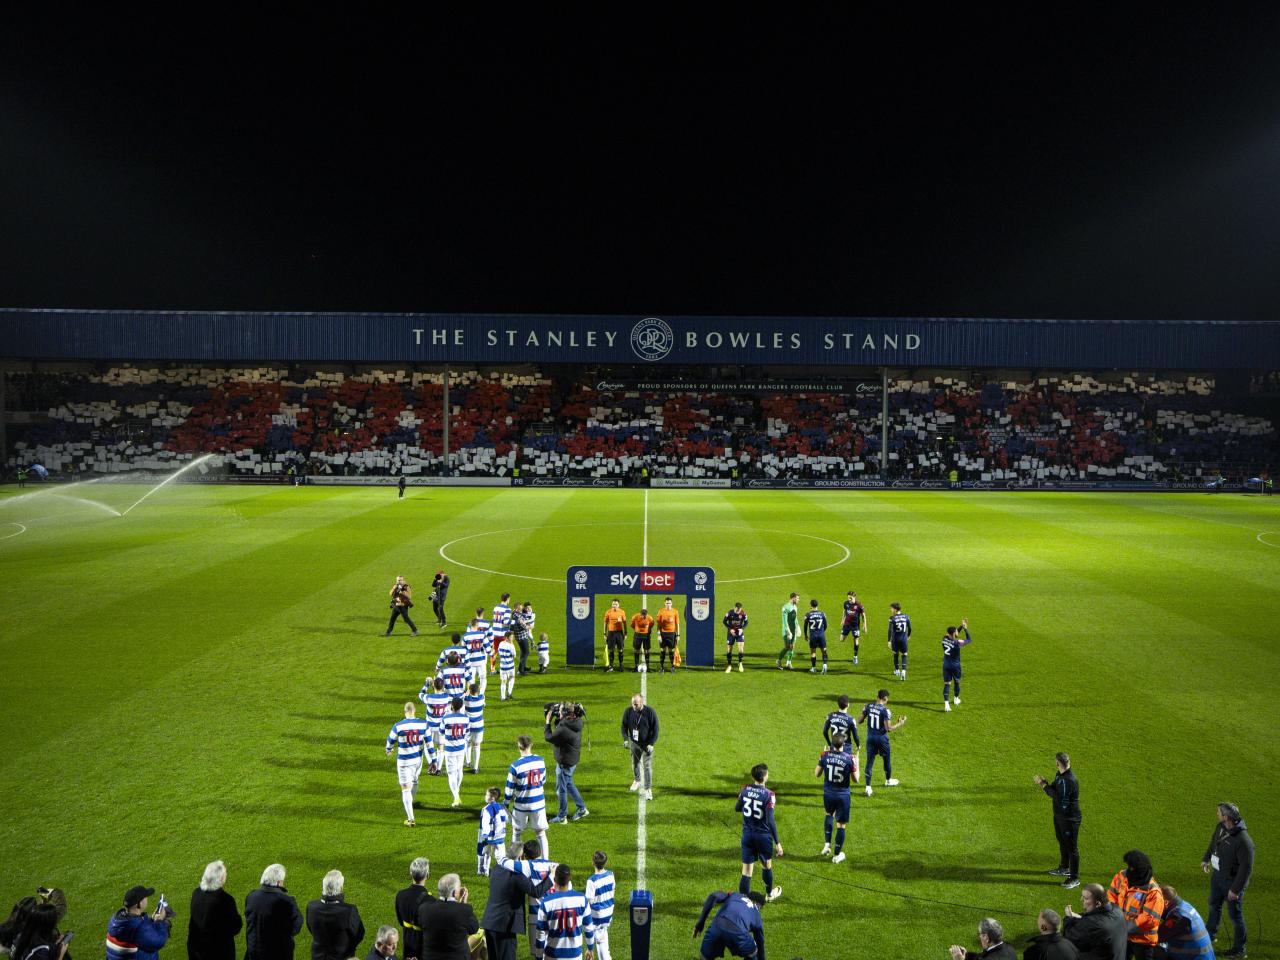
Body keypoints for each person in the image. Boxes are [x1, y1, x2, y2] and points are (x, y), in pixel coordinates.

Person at [480, 842, 552, 960]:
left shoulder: (496, 869)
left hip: (489, 921)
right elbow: (536, 892)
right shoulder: (517, 875)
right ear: (521, 857)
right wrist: (551, 877)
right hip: (505, 926)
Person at [1202, 802, 1253, 958]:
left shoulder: (1244, 841)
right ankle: (1210, 935)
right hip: (1217, 877)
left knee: (1235, 916)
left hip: (1232, 883)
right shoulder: (1221, 827)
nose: (1217, 814)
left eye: (1219, 813)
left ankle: (1240, 949)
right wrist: (1206, 859)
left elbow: (1246, 869)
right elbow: (1213, 842)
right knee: (1213, 905)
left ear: (1226, 817)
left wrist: (1235, 890)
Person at [735, 763, 784, 901]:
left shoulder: (745, 790)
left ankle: (742, 902)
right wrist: (778, 843)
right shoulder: (769, 795)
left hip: (748, 835)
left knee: (746, 872)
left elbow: (737, 808)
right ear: (765, 777)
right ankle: (769, 895)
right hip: (763, 837)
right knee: (766, 866)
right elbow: (770, 821)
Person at [1034, 752, 1082, 889]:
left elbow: (1057, 796)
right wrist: (1046, 784)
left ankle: (1074, 878)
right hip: (1060, 816)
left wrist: (1043, 784)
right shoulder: (1060, 775)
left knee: (1072, 848)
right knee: (1062, 842)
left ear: (1057, 763)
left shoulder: (1069, 780)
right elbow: (1054, 788)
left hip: (1070, 819)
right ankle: (1064, 867)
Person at [1106, 850, 1165, 959]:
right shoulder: (1122, 876)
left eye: (1131, 868)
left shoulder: (1153, 892)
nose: (1128, 871)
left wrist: (1123, 927)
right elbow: (1111, 895)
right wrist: (1113, 915)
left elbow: (1149, 919)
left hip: (1143, 942)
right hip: (1123, 936)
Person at [387, 702, 435, 827]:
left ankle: (411, 819)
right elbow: (429, 744)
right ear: (414, 711)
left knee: (405, 789)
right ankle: (410, 803)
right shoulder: (423, 724)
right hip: (417, 760)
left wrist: (389, 750)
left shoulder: (398, 726)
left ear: (405, 711)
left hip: (404, 762)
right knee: (414, 781)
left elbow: (390, 741)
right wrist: (434, 760)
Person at [534, 865, 594, 960]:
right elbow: (589, 928)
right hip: (574, 956)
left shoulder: (546, 903)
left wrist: (538, 957)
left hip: (552, 956)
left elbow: (540, 934)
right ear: (569, 879)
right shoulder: (582, 899)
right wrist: (590, 948)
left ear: (554, 879)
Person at [504, 734, 550, 859]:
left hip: (521, 805)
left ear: (518, 747)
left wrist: (506, 803)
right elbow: (543, 780)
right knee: (541, 833)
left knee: (517, 833)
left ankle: (515, 861)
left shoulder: (515, 766)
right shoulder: (540, 761)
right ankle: (545, 862)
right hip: (538, 804)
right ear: (531, 745)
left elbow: (509, 788)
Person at [244, 865, 303, 960]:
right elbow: (297, 925)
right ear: (279, 882)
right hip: (278, 953)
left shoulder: (251, 896)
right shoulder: (286, 900)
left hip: (253, 953)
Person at [815, 733, 858, 864]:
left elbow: (817, 774)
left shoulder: (824, 755)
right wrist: (857, 763)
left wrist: (822, 757)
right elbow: (856, 779)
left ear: (832, 744)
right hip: (842, 795)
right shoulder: (849, 758)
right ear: (843, 744)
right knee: (841, 825)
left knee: (829, 815)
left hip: (828, 793)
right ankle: (837, 855)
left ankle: (827, 845)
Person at [188, 860, 243, 960]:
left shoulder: (196, 893)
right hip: (219, 952)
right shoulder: (226, 900)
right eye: (225, 873)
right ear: (221, 878)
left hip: (197, 949)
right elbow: (235, 927)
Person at [544, 701, 588, 824]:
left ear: (564, 713)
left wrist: (547, 720)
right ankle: (582, 808)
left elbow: (549, 737)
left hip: (565, 762)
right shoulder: (577, 721)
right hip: (572, 760)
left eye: (561, 710)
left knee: (561, 790)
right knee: (569, 784)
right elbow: (562, 723)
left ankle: (562, 816)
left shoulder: (563, 729)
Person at [416, 875, 480, 960]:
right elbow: (474, 928)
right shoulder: (464, 910)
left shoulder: (424, 909)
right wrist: (464, 903)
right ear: (454, 893)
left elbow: (421, 926)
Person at [305, 870, 365, 960]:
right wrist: (349, 948)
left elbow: (310, 928)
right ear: (341, 888)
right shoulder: (348, 911)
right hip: (342, 956)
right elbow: (359, 934)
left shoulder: (311, 907)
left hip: (317, 956)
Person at [692, 890, 766, 960]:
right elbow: (760, 943)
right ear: (758, 905)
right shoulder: (757, 915)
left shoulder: (735, 895)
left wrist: (700, 923)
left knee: (704, 957)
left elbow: (714, 896)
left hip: (717, 927)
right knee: (754, 951)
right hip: (738, 933)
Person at [858, 688, 905, 795]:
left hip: (870, 738)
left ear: (877, 697)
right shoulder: (885, 711)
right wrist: (900, 724)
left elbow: (859, 721)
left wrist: (864, 711)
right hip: (882, 739)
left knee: (869, 762)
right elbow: (888, 728)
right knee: (886, 760)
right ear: (885, 698)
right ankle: (888, 780)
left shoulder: (868, 706)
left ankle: (868, 787)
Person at [106, 885, 172, 960]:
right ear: (139, 904)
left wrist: (152, 921)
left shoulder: (116, 920)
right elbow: (159, 941)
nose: (147, 899)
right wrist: (160, 921)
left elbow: (138, 932)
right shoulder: (137, 929)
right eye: (145, 897)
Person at [1063, 883, 1126, 960]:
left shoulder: (1094, 924)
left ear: (1098, 904)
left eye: (1085, 898)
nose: (1081, 900)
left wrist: (1069, 918)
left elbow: (1070, 938)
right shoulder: (1116, 909)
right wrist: (1080, 917)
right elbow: (1095, 916)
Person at [1157, 886, 1214, 960]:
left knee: (1148, 948)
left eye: (1155, 901)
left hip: (1194, 957)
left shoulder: (1178, 916)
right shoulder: (1184, 906)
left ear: (1166, 902)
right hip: (1200, 956)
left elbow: (1155, 936)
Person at [621, 693, 659, 801]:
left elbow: (656, 729)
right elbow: (623, 726)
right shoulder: (628, 712)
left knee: (647, 767)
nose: (634, 706)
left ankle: (647, 789)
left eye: (636, 704)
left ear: (641, 703)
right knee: (635, 763)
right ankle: (637, 781)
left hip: (647, 744)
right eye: (633, 704)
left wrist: (651, 743)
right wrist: (625, 739)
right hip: (635, 743)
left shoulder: (650, 712)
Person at [394, 858, 433, 960]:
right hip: (423, 945)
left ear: (411, 874)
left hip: (407, 940)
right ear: (427, 875)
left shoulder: (400, 895)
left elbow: (400, 920)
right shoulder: (430, 900)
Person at [440, 697, 471, 807]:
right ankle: (456, 792)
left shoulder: (446, 718)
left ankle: (456, 797)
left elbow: (441, 731)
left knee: (451, 773)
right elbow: (467, 732)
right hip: (461, 748)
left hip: (450, 749)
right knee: (459, 770)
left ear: (452, 706)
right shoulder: (466, 718)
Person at [584, 852, 615, 960]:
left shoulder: (591, 881)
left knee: (593, 940)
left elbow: (590, 902)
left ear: (593, 863)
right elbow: (612, 892)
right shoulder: (611, 875)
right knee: (602, 939)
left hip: (597, 916)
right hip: (609, 913)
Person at [941, 619, 973, 711]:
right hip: (955, 666)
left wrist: (960, 627)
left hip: (946, 665)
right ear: (954, 633)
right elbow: (969, 639)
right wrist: (965, 629)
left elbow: (954, 634)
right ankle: (955, 699)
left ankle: (946, 705)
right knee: (957, 681)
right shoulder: (958, 643)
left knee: (947, 684)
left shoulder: (944, 638)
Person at [478, 787, 510, 876]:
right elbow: (507, 818)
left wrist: (484, 835)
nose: (485, 796)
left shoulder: (487, 809)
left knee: (487, 853)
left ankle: (486, 870)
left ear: (492, 798)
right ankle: (503, 870)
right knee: (501, 855)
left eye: (487, 795)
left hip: (490, 836)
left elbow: (485, 823)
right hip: (500, 836)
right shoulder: (501, 807)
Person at [949, 918, 1016, 959]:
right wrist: (967, 955)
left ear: (986, 937)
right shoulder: (1009, 948)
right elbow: (983, 956)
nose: (979, 937)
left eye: (979, 934)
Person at [419, 678, 451, 756]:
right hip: (441, 727)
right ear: (442, 686)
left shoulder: (429, 698)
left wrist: (427, 683)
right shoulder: (446, 697)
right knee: (440, 748)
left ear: (433, 686)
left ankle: (431, 763)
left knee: (427, 747)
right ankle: (438, 768)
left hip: (429, 727)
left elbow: (420, 694)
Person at [462, 619, 490, 695]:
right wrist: (490, 653)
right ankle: (481, 695)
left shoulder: (465, 636)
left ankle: (472, 695)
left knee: (471, 680)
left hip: (470, 661)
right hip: (481, 660)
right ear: (477, 625)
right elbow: (488, 648)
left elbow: (463, 651)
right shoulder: (482, 634)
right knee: (483, 678)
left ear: (471, 625)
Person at [803, 598, 830, 674]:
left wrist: (805, 635)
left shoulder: (808, 614)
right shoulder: (822, 614)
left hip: (813, 636)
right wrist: (821, 632)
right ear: (817, 605)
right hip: (821, 635)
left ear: (810, 605)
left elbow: (805, 626)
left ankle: (814, 668)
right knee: (824, 651)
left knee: (813, 652)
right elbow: (826, 625)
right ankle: (824, 665)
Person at [463, 682, 485, 773]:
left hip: (468, 726)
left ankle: (468, 762)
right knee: (476, 745)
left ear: (470, 691)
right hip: (479, 726)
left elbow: (463, 697)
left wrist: (467, 692)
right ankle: (475, 768)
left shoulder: (466, 700)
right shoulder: (481, 698)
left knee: (467, 743)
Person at [655, 596, 681, 673]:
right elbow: (658, 624)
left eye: (669, 603)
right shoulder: (661, 611)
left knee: (671, 651)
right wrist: (659, 634)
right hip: (663, 634)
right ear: (664, 603)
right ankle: (661, 667)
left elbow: (677, 624)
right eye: (667, 603)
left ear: (671, 603)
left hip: (672, 634)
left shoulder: (675, 611)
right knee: (662, 651)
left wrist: (678, 635)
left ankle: (672, 667)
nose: (668, 604)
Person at [841, 590, 867, 665]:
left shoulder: (859, 605)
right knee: (841, 639)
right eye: (848, 598)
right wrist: (842, 619)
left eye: (850, 598)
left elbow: (863, 616)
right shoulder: (846, 603)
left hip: (855, 626)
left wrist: (864, 625)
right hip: (847, 624)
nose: (849, 599)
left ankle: (855, 657)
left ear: (854, 597)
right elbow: (844, 611)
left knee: (855, 640)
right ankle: (849, 634)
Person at [602, 599, 627, 673]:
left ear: (618, 605)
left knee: (620, 649)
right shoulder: (608, 612)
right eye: (613, 604)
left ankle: (621, 665)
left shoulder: (622, 612)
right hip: (611, 633)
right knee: (611, 650)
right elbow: (605, 623)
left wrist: (625, 633)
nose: (614, 605)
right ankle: (611, 666)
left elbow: (624, 623)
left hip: (619, 633)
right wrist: (604, 633)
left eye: (616, 604)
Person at [776, 592, 799, 670]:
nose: (798, 600)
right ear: (793, 598)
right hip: (787, 631)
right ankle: (778, 661)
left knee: (792, 646)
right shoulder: (786, 607)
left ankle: (789, 663)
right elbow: (784, 621)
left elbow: (795, 618)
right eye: (797, 598)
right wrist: (788, 630)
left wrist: (798, 626)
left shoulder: (795, 607)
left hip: (793, 630)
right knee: (787, 647)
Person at [888, 601, 911, 679]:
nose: (891, 610)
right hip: (904, 639)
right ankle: (903, 671)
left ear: (895, 609)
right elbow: (910, 628)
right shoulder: (906, 616)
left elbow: (890, 630)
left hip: (895, 640)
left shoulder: (892, 618)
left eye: (891, 609)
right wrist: (908, 636)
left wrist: (889, 641)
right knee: (904, 654)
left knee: (895, 654)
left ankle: (897, 670)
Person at [723, 602, 748, 673]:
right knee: (729, 649)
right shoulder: (729, 613)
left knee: (741, 648)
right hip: (731, 633)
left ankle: (740, 663)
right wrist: (730, 629)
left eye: (740, 609)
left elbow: (746, 622)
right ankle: (729, 665)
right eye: (738, 609)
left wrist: (742, 629)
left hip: (739, 633)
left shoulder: (743, 613)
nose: (739, 611)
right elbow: (724, 621)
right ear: (735, 608)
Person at [631, 607, 654, 672]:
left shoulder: (650, 618)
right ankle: (636, 666)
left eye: (644, 615)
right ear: (640, 614)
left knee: (647, 651)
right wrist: (637, 630)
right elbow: (632, 625)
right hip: (637, 635)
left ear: (646, 614)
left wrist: (646, 631)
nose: (643, 616)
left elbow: (651, 625)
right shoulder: (635, 617)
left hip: (646, 635)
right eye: (642, 615)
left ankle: (648, 667)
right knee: (636, 650)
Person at [497, 634, 518, 700]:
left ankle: (503, 697)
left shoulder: (501, 643)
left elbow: (498, 651)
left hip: (502, 666)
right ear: (507, 638)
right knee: (511, 679)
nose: (512, 638)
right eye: (511, 637)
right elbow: (514, 655)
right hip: (510, 666)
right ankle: (509, 694)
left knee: (503, 681)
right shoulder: (511, 646)